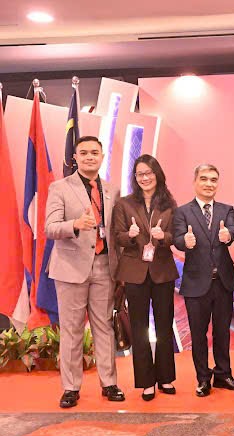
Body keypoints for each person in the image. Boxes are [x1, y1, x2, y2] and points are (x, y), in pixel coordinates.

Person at [45, 136, 125, 408]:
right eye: (84, 153)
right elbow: (50, 227)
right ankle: (70, 388)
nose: (89, 157)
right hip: (70, 268)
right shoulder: (60, 187)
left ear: (102, 156)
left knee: (104, 327)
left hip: (105, 266)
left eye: (94, 152)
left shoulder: (112, 190)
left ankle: (109, 383)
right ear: (75, 158)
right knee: (72, 330)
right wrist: (75, 225)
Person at [112, 154, 179, 401]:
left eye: (149, 173)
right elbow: (117, 236)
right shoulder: (124, 203)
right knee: (140, 329)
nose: (145, 178)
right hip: (134, 272)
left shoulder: (169, 204)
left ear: (157, 175)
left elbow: (176, 236)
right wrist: (129, 235)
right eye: (140, 174)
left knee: (164, 326)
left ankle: (165, 378)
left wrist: (164, 238)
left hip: (162, 271)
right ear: (135, 177)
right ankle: (146, 382)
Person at [173, 164, 234, 397]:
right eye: (204, 179)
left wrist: (228, 235)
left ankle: (224, 375)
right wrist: (184, 242)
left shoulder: (226, 210)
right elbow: (177, 238)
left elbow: (233, 231)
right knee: (198, 334)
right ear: (195, 182)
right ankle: (203, 379)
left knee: (222, 332)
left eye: (213, 180)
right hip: (196, 283)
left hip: (223, 282)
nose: (209, 184)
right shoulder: (182, 212)